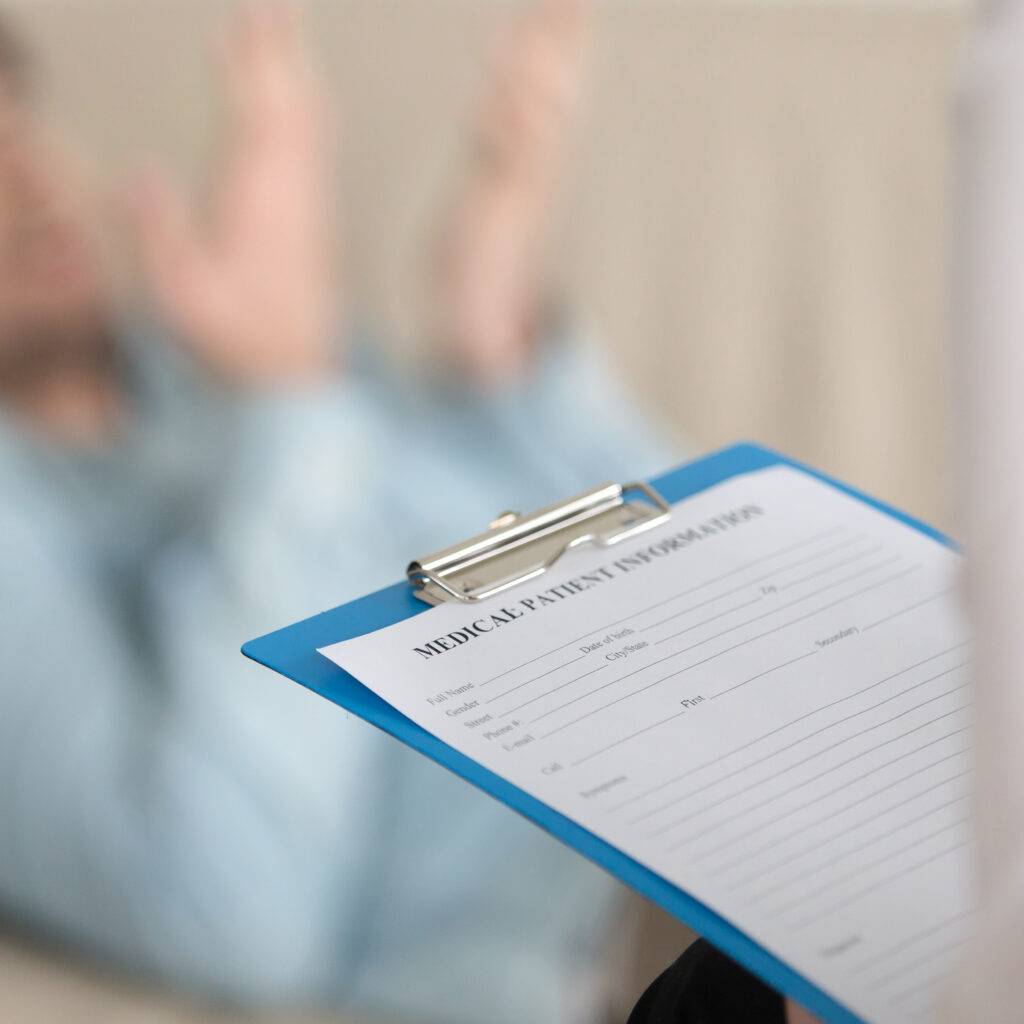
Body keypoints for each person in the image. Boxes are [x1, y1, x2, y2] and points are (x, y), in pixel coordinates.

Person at [0, 3, 676, 1022]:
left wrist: (496, 347)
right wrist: (289, 394)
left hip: (715, 854)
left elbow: (683, 563)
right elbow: (237, 917)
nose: (33, 184)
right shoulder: (258, 397)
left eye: (19, 120)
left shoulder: (200, 350)